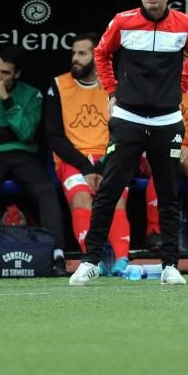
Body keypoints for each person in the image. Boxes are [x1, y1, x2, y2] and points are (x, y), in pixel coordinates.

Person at [68, 0, 188, 287]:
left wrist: (180, 87)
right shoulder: (123, 21)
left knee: (168, 192)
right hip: (128, 118)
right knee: (109, 190)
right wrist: (114, 91)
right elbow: (101, 54)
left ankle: (171, 265)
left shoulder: (185, 25)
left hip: (167, 120)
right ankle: (90, 262)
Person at [0, 46, 67, 277]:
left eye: (5, 73)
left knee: (46, 189)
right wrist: (9, 132)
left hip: (23, 155)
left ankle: (57, 254)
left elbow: (26, 133)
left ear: (17, 74)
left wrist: (6, 100)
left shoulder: (32, 95)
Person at [45, 32, 132, 277]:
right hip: (73, 159)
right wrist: (86, 167)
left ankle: (122, 260)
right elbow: (54, 135)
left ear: (96, 56)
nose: (75, 58)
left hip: (111, 157)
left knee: (115, 198)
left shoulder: (116, 85)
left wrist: (104, 165)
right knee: (81, 198)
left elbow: (126, 131)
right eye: (74, 53)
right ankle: (92, 262)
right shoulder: (59, 84)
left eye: (82, 54)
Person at [143, 62, 188, 252]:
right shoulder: (161, 84)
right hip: (159, 144)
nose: (187, 64)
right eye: (183, 58)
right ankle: (153, 231)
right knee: (159, 164)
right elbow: (148, 118)